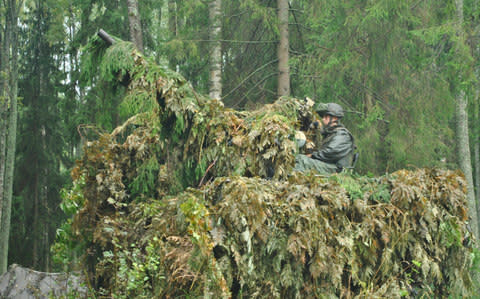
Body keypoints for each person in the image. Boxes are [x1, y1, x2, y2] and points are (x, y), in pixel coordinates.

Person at [294, 102, 355, 174]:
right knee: (300, 158)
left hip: (337, 170)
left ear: (334, 118)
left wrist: (312, 155)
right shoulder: (331, 133)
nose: (323, 119)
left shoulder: (343, 135)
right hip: (331, 167)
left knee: (301, 160)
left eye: (326, 117)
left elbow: (330, 152)